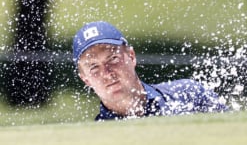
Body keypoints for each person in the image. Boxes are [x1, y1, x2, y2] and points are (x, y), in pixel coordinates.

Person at [73, 21, 227, 121]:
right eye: (94, 67)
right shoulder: (96, 136)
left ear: (131, 56)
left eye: (113, 59)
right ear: (85, 79)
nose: (107, 73)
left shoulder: (189, 95)